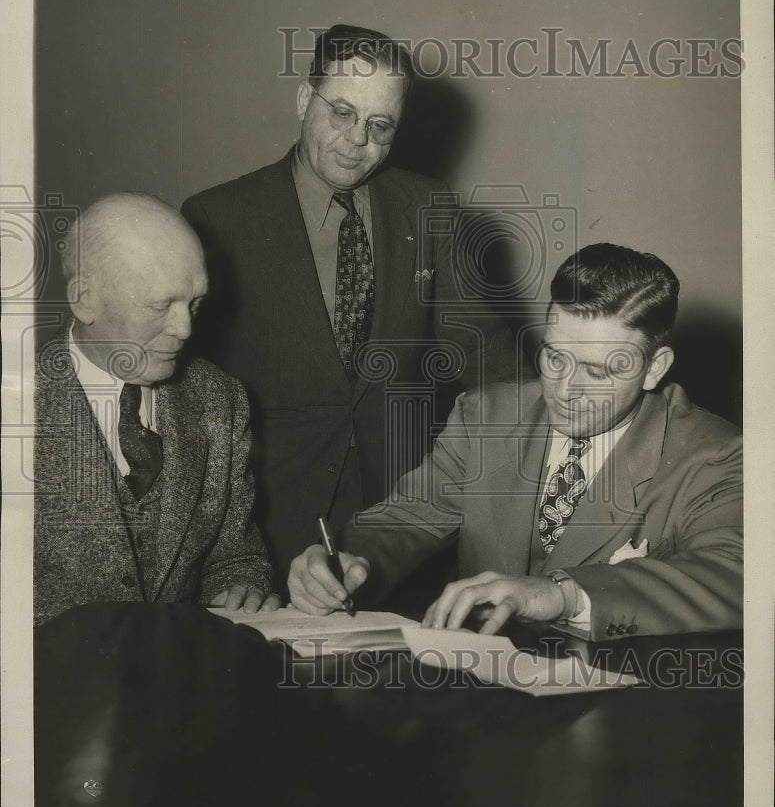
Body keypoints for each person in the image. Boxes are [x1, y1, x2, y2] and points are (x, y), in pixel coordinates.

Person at [182, 23, 515, 580]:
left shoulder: (427, 206)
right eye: (341, 112)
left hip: (400, 530)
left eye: (379, 125)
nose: (357, 140)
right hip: (262, 535)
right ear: (302, 99)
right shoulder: (217, 218)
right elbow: (191, 402)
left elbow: (487, 359)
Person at [288, 243, 743, 640]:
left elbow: (741, 576)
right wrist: (346, 560)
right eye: (554, 356)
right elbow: (406, 519)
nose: (565, 391)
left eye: (599, 372)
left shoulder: (714, 452)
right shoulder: (485, 416)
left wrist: (563, 595)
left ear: (655, 368)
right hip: (480, 695)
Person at [34, 193, 277, 626]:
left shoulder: (220, 399)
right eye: (160, 305)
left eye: (194, 303)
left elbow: (235, 557)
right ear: (84, 299)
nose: (185, 329)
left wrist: (243, 587)